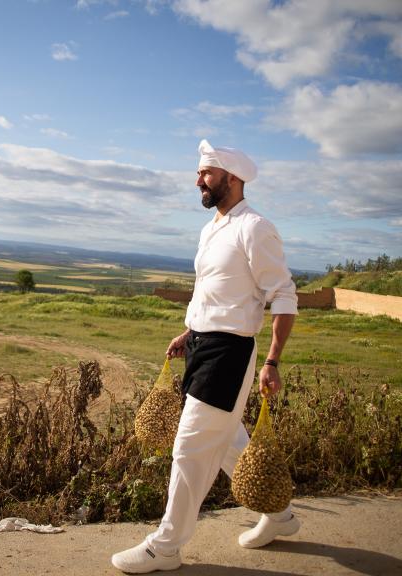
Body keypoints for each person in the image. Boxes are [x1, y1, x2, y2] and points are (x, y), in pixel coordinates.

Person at [111, 140, 299, 573]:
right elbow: (216, 293)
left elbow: (284, 296)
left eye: (206, 173)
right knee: (228, 438)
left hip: (230, 353)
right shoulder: (213, 227)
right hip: (202, 346)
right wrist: (189, 331)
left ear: (232, 178)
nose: (198, 180)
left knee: (190, 447)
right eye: (199, 173)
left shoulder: (255, 228)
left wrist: (272, 361)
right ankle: (280, 515)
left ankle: (166, 547)